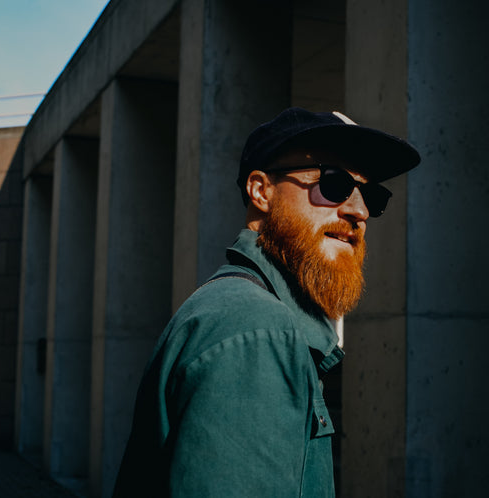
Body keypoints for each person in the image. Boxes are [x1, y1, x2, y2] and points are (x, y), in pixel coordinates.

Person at [112, 107, 420, 497]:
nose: (358, 211)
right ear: (261, 191)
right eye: (335, 183)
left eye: (370, 195)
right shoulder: (256, 330)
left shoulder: (247, 311)